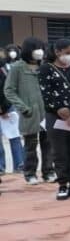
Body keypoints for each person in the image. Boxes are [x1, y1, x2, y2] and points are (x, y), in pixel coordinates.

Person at [40, 39, 70, 200]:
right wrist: (60, 110)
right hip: (55, 115)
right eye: (67, 52)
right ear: (57, 52)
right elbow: (46, 93)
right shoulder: (46, 69)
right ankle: (62, 184)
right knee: (59, 151)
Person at [5, 37, 56, 185]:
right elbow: (9, 90)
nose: (39, 51)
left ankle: (48, 171)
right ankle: (30, 173)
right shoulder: (17, 68)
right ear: (28, 50)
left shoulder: (45, 66)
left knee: (48, 143)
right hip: (29, 113)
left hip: (47, 112)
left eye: (41, 47)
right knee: (30, 146)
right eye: (36, 48)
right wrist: (23, 107)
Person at [0, 46, 26, 176]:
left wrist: (4, 107)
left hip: (7, 106)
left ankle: (19, 163)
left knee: (14, 136)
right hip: (5, 106)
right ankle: (1, 167)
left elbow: (8, 89)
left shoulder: (5, 69)